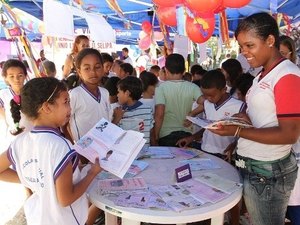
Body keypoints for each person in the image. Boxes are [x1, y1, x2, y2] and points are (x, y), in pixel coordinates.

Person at [210, 12, 300, 225]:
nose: (244, 52)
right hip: (256, 165)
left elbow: (289, 134)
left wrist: (238, 131)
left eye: (250, 45)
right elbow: (265, 118)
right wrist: (244, 118)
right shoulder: (262, 74)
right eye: (242, 47)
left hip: (267, 170)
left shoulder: (287, 75)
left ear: (270, 40)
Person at [0, 77, 102, 225]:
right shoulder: (61, 145)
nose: (70, 108)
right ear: (47, 107)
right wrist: (92, 173)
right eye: (66, 102)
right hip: (64, 220)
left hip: (37, 218)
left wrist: (36, 180)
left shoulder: (20, 142)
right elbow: (66, 199)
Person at [177, 70, 245, 161]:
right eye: (205, 95)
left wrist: (234, 144)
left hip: (225, 153)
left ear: (224, 90)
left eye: (212, 96)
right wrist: (192, 138)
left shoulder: (239, 106)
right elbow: (207, 127)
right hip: (205, 149)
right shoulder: (207, 104)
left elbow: (244, 133)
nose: (208, 98)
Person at [63, 48, 111, 143]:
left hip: (104, 147)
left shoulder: (105, 93)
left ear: (102, 68)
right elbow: (63, 124)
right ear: (79, 71)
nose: (93, 72)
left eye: (97, 67)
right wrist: (74, 147)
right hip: (83, 152)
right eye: (87, 68)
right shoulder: (75, 94)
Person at [154, 53, 202, 147]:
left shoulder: (161, 88)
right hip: (187, 135)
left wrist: (155, 135)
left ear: (166, 70)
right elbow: (206, 103)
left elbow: (160, 114)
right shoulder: (193, 87)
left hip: (166, 135)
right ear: (184, 71)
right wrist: (193, 114)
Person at [279, 35, 300, 225]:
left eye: (282, 54)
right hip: (279, 155)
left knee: (295, 205)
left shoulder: (294, 77)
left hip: (294, 152)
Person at [112, 76, 153, 147]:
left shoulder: (117, 111)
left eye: (119, 92)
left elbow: (110, 133)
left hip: (129, 154)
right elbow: (152, 133)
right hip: (139, 153)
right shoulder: (148, 109)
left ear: (127, 93)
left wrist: (116, 119)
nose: (117, 95)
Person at [0, 59, 32, 148]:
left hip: (32, 136)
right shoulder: (3, 95)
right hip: (12, 138)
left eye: (20, 75)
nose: (16, 79)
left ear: (25, 75)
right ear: (5, 77)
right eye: (11, 76)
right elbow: (4, 118)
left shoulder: (32, 93)